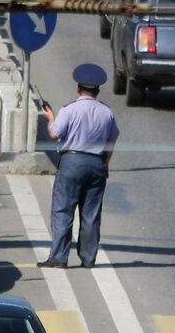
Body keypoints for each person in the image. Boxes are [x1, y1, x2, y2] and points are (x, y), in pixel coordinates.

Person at [39, 63, 120, 269]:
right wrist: (105, 166)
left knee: (63, 210)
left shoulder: (69, 109)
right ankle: (88, 258)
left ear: (78, 88)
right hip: (97, 164)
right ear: (98, 90)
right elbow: (111, 144)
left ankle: (58, 258)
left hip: (71, 162)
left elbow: (54, 133)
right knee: (91, 214)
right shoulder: (107, 113)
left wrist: (50, 118)